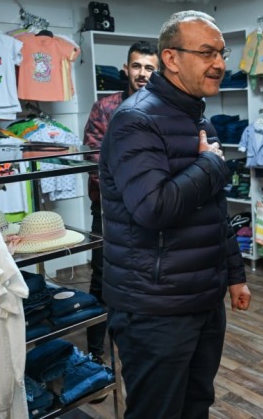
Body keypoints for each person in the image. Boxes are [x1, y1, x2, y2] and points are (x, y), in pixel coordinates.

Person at [98, 10, 251, 418]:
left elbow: (215, 212)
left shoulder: (199, 120)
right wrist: (210, 166)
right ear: (171, 58)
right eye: (206, 53)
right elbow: (154, 207)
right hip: (155, 308)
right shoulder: (135, 120)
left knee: (196, 405)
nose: (219, 64)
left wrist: (234, 275)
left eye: (221, 53)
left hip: (203, 297)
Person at [82, 40, 159, 362]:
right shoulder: (105, 108)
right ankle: (95, 353)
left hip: (152, 208)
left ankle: (142, 346)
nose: (142, 73)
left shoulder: (163, 107)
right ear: (126, 69)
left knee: (147, 274)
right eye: (137, 66)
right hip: (110, 208)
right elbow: (94, 158)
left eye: (149, 68)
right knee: (103, 275)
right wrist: (130, 194)